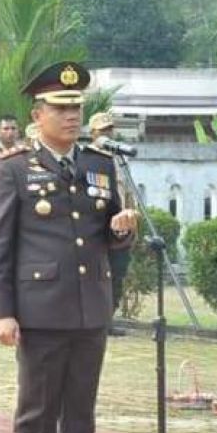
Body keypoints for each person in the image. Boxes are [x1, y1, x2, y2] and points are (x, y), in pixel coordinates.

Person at [0, 62, 137, 433]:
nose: (71, 116)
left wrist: (122, 229)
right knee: (37, 414)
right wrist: (1, 311)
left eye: (77, 107)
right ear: (37, 113)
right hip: (39, 309)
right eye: (61, 108)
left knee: (79, 415)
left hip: (89, 307)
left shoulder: (100, 164)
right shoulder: (13, 168)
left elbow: (104, 236)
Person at [88, 112, 131, 336]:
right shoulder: (88, 161)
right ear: (92, 134)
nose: (107, 134)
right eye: (102, 131)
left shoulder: (120, 159)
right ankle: (98, 319)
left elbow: (128, 193)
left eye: (110, 130)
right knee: (99, 276)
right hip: (100, 228)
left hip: (122, 227)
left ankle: (109, 319)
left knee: (118, 273)